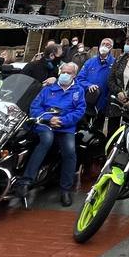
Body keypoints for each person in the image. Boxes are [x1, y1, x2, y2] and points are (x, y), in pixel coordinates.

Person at [16, 61, 85, 206]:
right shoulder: (48, 89)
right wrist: (48, 119)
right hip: (44, 124)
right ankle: (25, 181)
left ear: (74, 75)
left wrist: (62, 120)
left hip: (65, 127)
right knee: (46, 140)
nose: (65, 75)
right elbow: (35, 106)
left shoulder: (78, 91)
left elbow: (79, 111)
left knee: (70, 151)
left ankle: (65, 189)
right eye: (63, 72)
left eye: (69, 73)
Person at [78, 37, 116, 125]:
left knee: (97, 128)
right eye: (103, 44)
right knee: (82, 127)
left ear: (111, 48)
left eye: (108, 45)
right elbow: (79, 79)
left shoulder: (115, 63)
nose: (105, 46)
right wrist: (88, 85)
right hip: (87, 101)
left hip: (103, 103)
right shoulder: (90, 62)